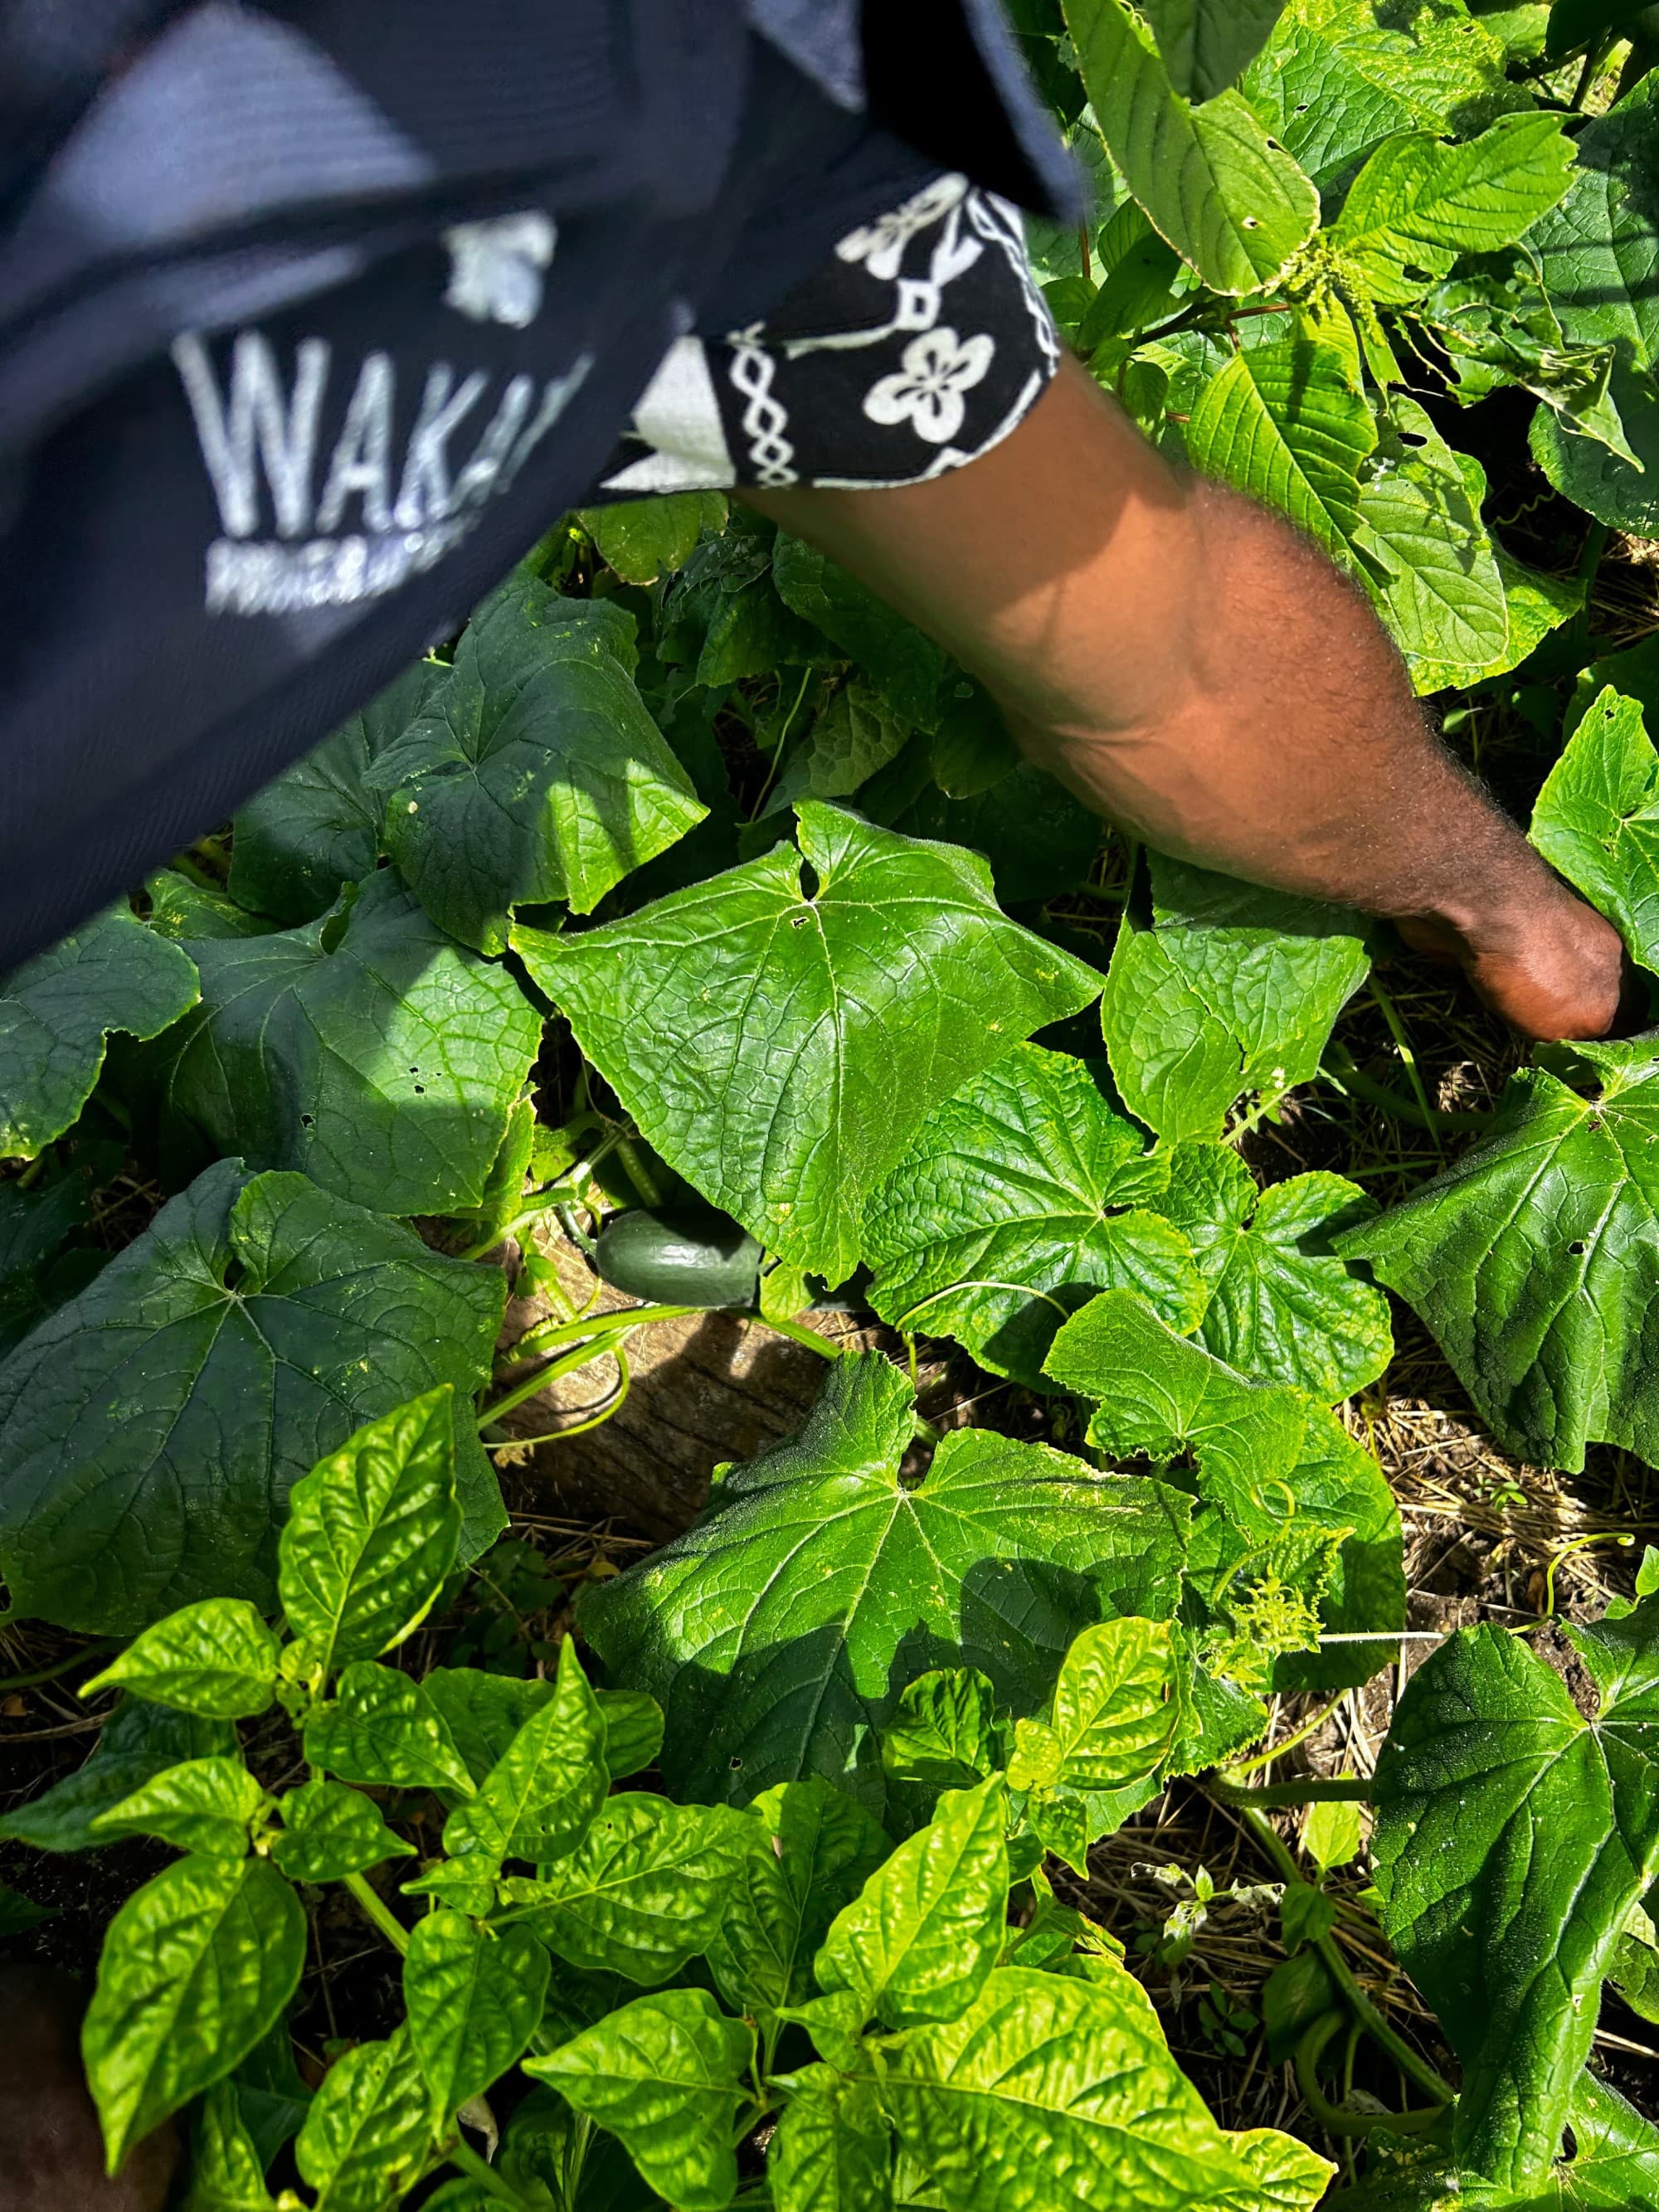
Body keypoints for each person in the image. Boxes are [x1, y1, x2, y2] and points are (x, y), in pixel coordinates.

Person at [0, 0, 1624, 1038]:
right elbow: (1169, 652)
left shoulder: (761, 124)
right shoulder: (737, 110)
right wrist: (1491, 892)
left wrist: (1482, 885)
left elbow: (1175, 656)